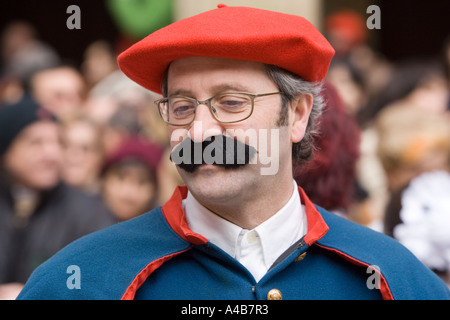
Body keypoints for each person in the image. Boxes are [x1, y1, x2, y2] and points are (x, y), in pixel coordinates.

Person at [18, 5, 449, 300]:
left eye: (231, 103)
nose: (200, 130)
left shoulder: (395, 278)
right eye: (182, 107)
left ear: (297, 114)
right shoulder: (78, 280)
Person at [0, 97, 116, 298]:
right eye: (36, 143)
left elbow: (99, 283)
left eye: (58, 142)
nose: (52, 154)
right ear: (6, 150)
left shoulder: (88, 213)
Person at [101, 136, 163, 221]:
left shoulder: (162, 229)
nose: (128, 193)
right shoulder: (80, 219)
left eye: (142, 182)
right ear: (105, 179)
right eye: (121, 178)